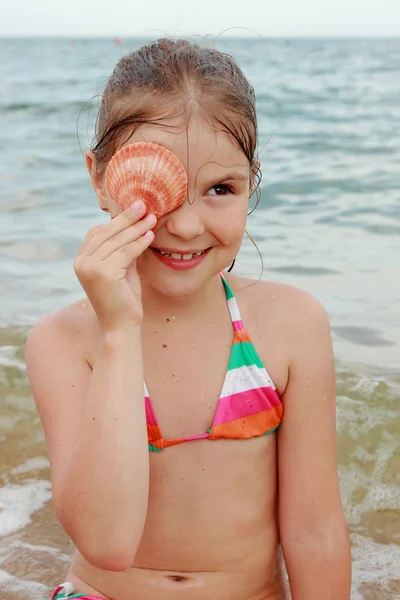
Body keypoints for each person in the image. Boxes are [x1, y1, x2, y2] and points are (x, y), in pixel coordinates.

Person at [25, 38, 351, 600]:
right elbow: (107, 543)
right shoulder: (64, 342)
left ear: (252, 182)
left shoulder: (292, 324)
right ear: (100, 179)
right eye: (159, 191)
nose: (185, 225)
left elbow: (315, 529)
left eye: (221, 189)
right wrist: (120, 332)